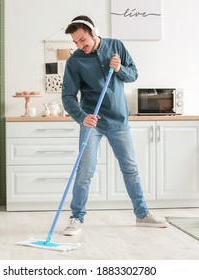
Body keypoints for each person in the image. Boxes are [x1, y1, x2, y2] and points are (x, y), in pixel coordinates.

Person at [61, 15, 168, 236]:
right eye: (76, 42)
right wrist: (82, 117)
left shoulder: (116, 46)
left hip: (119, 119)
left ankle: (142, 214)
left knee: (130, 169)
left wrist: (119, 69)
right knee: (85, 172)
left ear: (93, 32)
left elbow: (133, 74)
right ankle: (76, 217)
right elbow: (68, 96)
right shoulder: (75, 61)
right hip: (93, 122)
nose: (81, 46)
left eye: (83, 40)